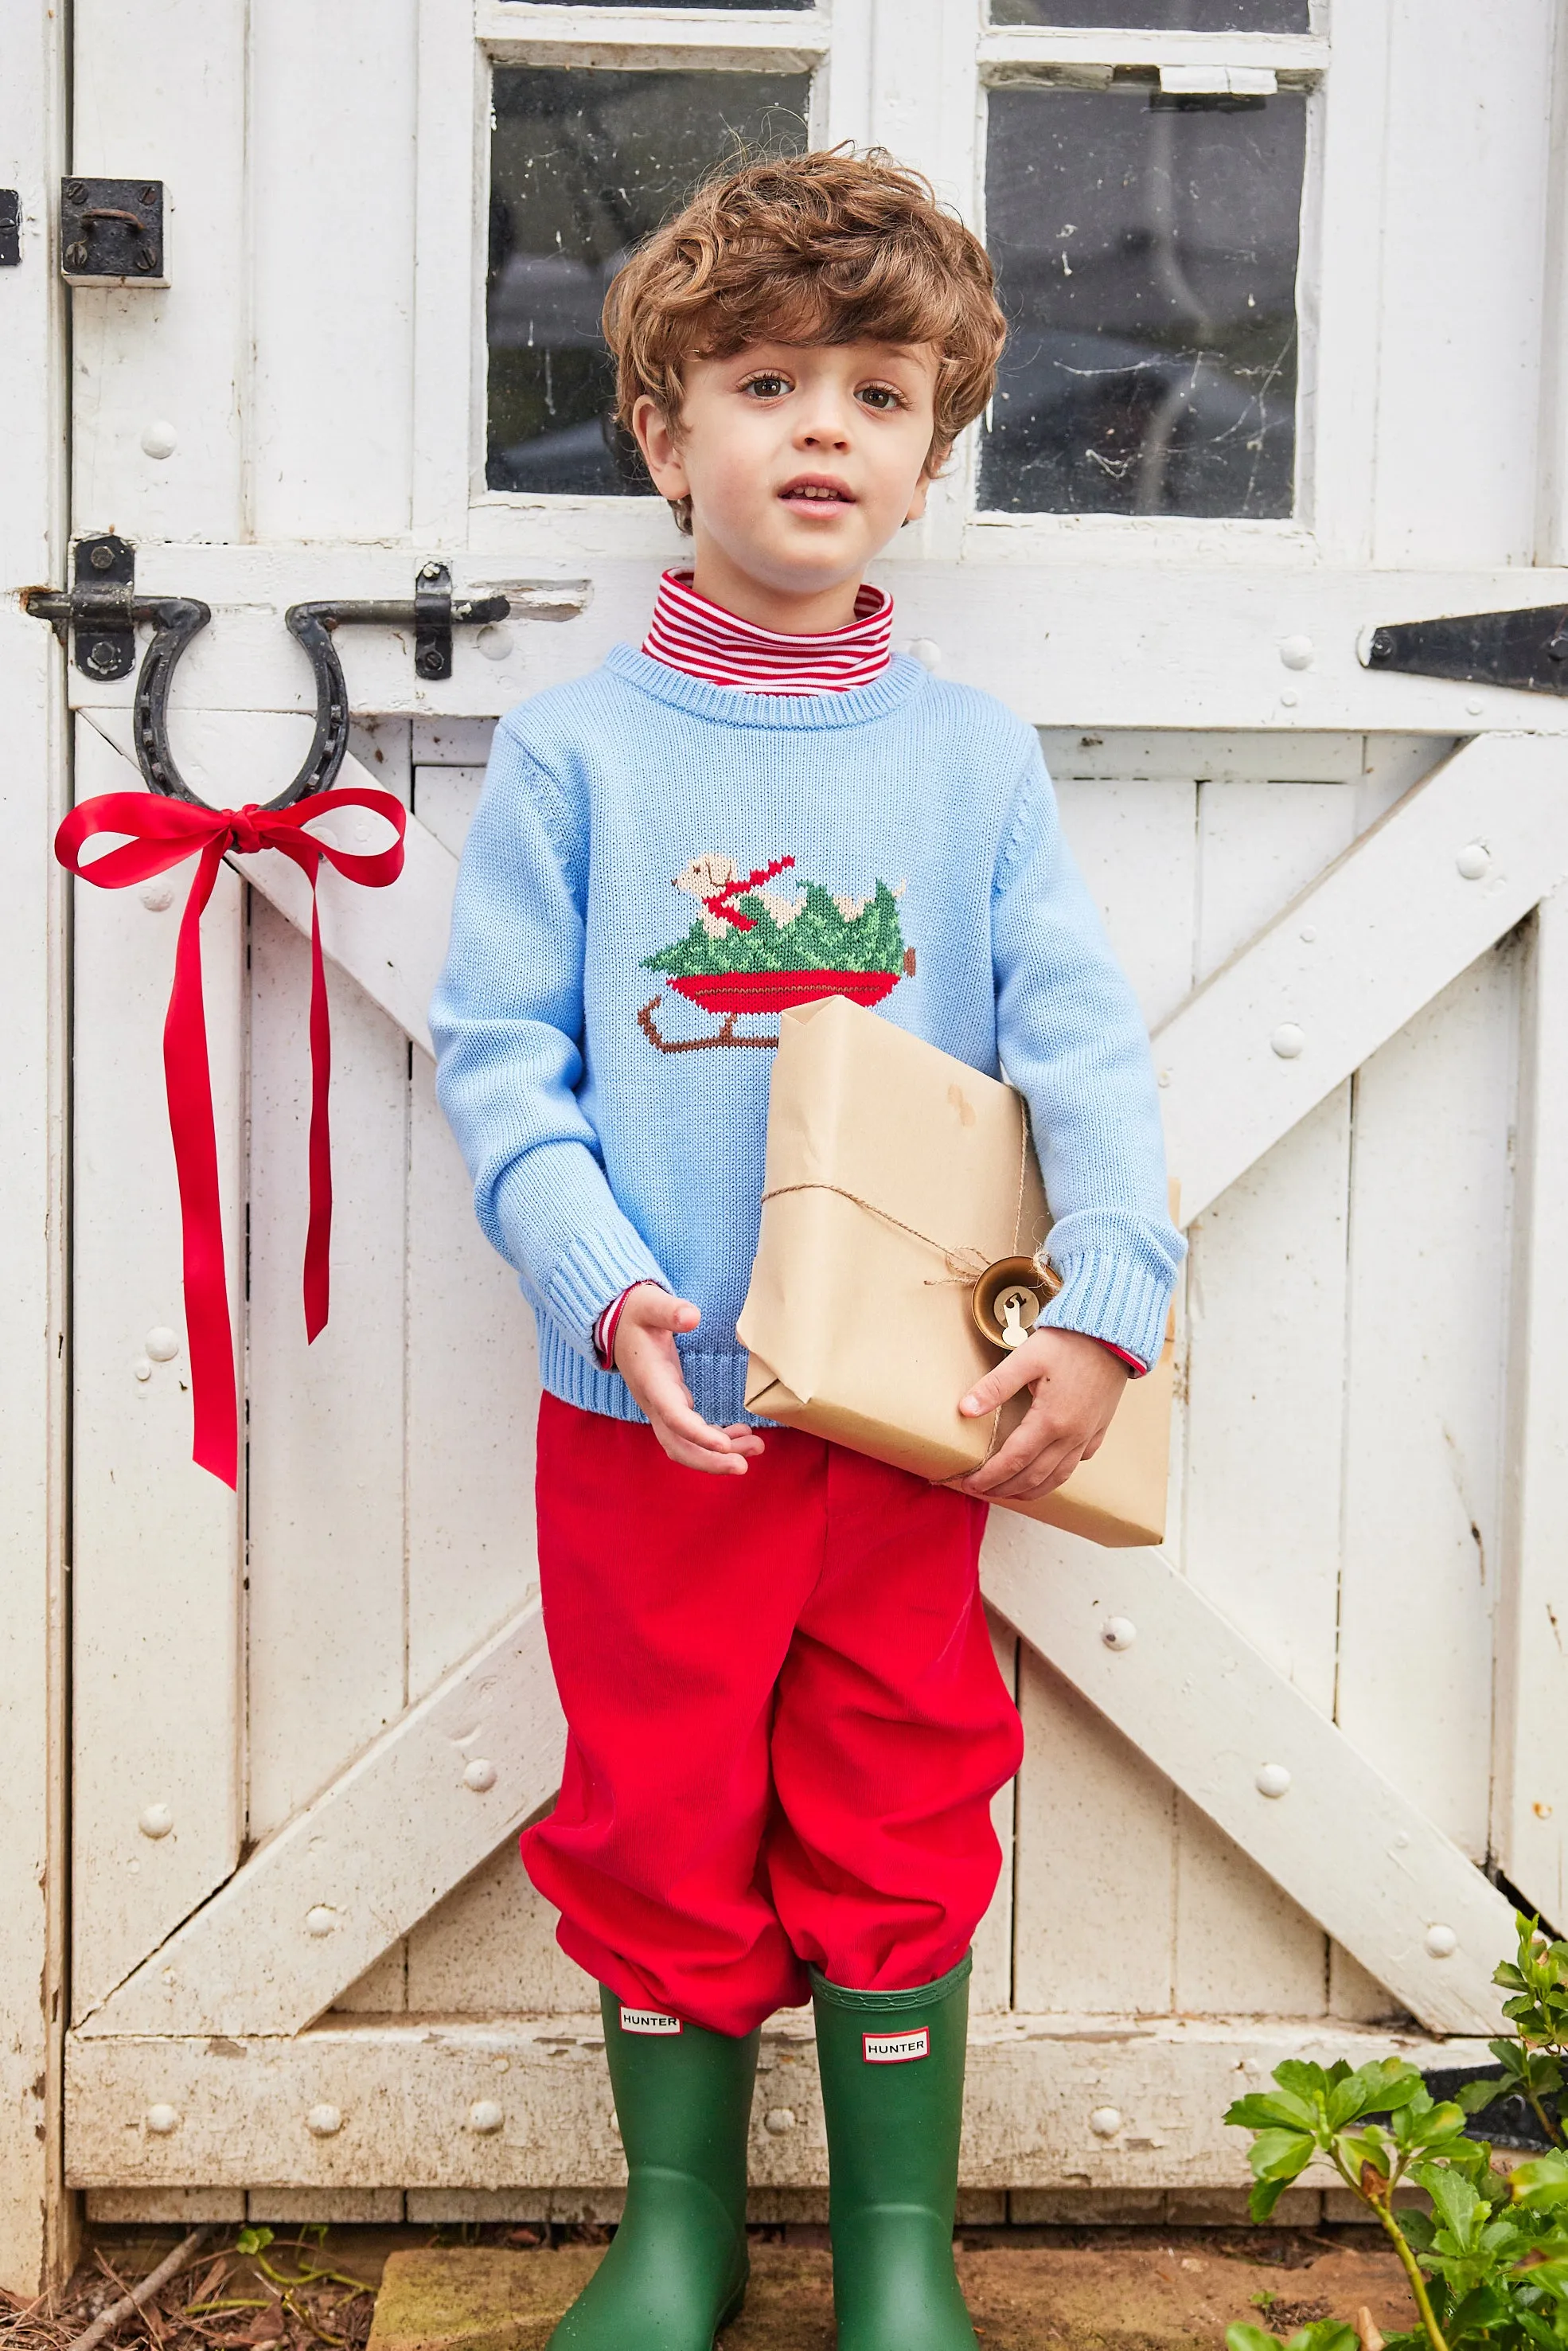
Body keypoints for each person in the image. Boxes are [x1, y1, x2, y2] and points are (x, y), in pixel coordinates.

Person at [431, 147, 1184, 2351]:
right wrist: (598, 1280)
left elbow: (1078, 1041)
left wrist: (1114, 1299)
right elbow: (500, 1059)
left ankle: (895, 2260)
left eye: (878, 390)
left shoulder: (971, 766)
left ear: (934, 453)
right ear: (666, 437)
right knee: (658, 1804)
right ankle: (674, 2239)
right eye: (768, 381)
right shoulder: (572, 758)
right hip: (654, 1416)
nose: (825, 428)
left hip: (916, 1418)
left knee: (899, 1793)